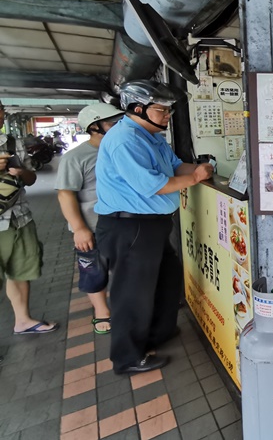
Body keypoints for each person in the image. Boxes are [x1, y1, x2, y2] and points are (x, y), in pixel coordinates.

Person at [95, 80, 213, 374]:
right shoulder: (125, 140)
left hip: (152, 226)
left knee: (166, 279)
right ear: (138, 108)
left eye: (169, 110)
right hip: (130, 226)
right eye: (162, 110)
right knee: (132, 293)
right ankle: (127, 358)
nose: (167, 115)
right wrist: (195, 178)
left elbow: (175, 167)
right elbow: (154, 185)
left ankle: (159, 333)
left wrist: (205, 169)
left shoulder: (151, 135)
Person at [56, 103, 124, 335]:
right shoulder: (76, 157)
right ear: (94, 127)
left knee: (125, 270)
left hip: (123, 223)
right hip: (92, 226)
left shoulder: (121, 150)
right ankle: (102, 312)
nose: (118, 125)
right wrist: (79, 228)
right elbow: (65, 193)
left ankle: (126, 307)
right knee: (93, 271)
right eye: (112, 122)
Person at [0, 101, 58, 335]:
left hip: (19, 217)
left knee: (21, 269)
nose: (0, 114)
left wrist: (22, 173)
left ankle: (23, 320)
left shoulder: (14, 144)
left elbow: (31, 179)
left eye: (0, 109)